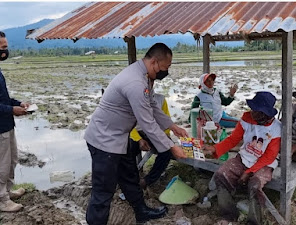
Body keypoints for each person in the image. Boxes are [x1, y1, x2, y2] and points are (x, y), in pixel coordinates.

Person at [84, 43, 188, 225]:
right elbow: (147, 123)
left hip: (119, 138)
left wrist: (172, 126)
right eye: (167, 66)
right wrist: (171, 147)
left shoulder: (144, 76)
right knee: (103, 191)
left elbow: (153, 106)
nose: (167, 71)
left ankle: (141, 211)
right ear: (155, 62)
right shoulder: (136, 83)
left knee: (129, 176)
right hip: (104, 140)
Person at [203, 91, 281, 225]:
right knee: (221, 174)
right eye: (252, 109)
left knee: (255, 184)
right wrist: (215, 149)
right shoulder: (246, 118)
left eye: (256, 110)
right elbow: (233, 139)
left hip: (264, 164)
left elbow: (269, 156)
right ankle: (229, 214)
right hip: (244, 157)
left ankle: (254, 221)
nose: (252, 112)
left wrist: (249, 172)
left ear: (265, 113)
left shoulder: (276, 128)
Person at [0, 31, 28, 212]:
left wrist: (18, 104)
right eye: (3, 47)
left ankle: (7, 191)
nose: (5, 51)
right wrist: (12, 110)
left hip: (7, 124)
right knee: (1, 165)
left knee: (12, 160)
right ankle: (2, 200)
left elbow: (3, 98)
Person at [129, 92, 172, 189]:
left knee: (167, 151)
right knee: (129, 150)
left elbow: (166, 119)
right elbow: (128, 125)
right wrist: (139, 140)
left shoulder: (160, 98)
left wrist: (165, 135)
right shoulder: (132, 99)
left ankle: (147, 181)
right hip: (137, 132)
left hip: (155, 132)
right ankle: (132, 177)